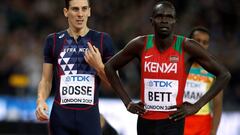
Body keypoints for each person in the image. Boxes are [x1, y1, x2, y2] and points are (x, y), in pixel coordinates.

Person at [103, 1, 231, 135]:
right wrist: (128, 102)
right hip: (145, 122)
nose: (164, 20)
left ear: (175, 21)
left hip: (173, 122)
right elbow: (109, 67)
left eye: (169, 17)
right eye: (159, 16)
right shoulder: (140, 44)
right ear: (152, 20)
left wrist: (197, 106)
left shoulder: (186, 46)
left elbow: (224, 74)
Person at [35, 0, 114, 134]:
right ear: (66, 12)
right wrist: (41, 100)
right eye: (75, 9)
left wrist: (99, 66)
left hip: (89, 119)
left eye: (84, 9)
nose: (80, 14)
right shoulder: (53, 41)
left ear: (89, 11)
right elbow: (46, 80)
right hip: (60, 119)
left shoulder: (102, 40)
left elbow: (114, 85)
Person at [183, 26, 223, 135]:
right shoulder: (178, 64)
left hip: (202, 124)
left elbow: (218, 104)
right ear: (189, 42)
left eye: (205, 42)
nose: (201, 45)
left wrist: (214, 130)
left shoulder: (215, 70)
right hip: (179, 118)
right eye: (197, 41)